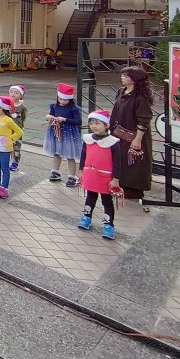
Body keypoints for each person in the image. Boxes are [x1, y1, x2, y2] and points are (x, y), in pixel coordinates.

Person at [109, 66, 154, 200]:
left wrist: (137, 139)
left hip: (135, 135)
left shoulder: (140, 97)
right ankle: (120, 185)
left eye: (126, 75)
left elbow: (144, 119)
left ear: (135, 79)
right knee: (120, 160)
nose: (122, 77)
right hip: (119, 133)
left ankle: (135, 190)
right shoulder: (121, 91)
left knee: (135, 163)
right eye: (122, 74)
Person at [77, 109, 122, 240]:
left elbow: (117, 162)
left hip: (105, 177)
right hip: (90, 174)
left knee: (106, 201)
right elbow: (83, 155)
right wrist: (81, 170)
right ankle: (86, 216)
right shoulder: (88, 139)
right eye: (91, 123)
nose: (94, 126)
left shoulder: (113, 142)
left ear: (106, 125)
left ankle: (109, 224)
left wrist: (116, 179)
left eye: (97, 123)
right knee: (90, 197)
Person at [45, 83, 84, 187]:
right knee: (56, 152)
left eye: (65, 100)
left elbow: (78, 121)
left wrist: (65, 120)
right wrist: (49, 117)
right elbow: (51, 114)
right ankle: (55, 172)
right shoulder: (54, 106)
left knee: (70, 155)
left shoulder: (73, 109)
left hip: (69, 134)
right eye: (60, 99)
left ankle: (72, 176)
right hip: (56, 132)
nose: (62, 101)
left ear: (70, 100)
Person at [0, 95, 23, 199]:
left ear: (0, 107)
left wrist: (10, 139)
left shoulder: (8, 120)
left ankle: (4, 188)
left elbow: (19, 131)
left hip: (5, 148)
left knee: (5, 168)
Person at [8, 85, 27, 171]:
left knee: (17, 147)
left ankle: (15, 162)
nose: (13, 94)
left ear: (21, 95)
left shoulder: (22, 107)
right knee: (7, 146)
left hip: (17, 130)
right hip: (7, 130)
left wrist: (21, 126)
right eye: (11, 92)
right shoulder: (7, 105)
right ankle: (6, 161)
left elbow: (23, 117)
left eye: (16, 92)